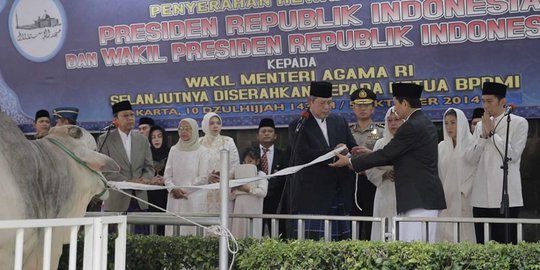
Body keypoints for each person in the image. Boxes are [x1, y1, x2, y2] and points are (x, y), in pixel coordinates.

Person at [330, 82, 446, 242]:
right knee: (420, 250)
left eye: (396, 104)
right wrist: (370, 155)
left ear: (404, 103)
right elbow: (398, 155)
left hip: (418, 198)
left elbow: (387, 154)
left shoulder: (412, 126)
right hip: (423, 198)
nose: (395, 109)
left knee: (414, 251)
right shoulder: (424, 122)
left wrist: (351, 162)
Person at [284, 81, 358, 240]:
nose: (327, 107)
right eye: (322, 103)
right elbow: (302, 155)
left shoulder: (339, 121)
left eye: (330, 102)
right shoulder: (299, 124)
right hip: (313, 195)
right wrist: (334, 152)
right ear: (310, 102)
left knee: (342, 247)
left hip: (339, 191)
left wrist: (352, 155)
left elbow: (351, 147)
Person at [465, 82, 528, 244]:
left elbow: (512, 155)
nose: (485, 105)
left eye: (489, 101)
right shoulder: (479, 126)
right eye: (483, 101)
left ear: (502, 102)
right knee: (482, 246)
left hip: (506, 196)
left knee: (506, 246)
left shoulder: (518, 123)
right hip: (481, 196)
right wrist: (482, 137)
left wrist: (492, 134)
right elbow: (470, 159)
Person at [97, 100, 158, 234]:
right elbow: (104, 169)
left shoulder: (142, 140)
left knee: (140, 242)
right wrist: (127, 181)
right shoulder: (105, 139)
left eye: (132, 115)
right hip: (116, 200)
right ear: (115, 119)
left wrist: (145, 179)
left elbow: (149, 168)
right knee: (114, 244)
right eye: (125, 115)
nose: (130, 118)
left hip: (139, 199)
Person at [163, 118, 209, 236]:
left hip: (194, 198)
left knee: (193, 231)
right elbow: (167, 176)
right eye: (181, 128)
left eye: (187, 129)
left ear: (193, 130)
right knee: (173, 232)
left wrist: (184, 191)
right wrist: (173, 189)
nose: (183, 131)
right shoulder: (174, 150)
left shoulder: (202, 151)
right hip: (175, 198)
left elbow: (203, 178)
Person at [437, 108, 476, 243]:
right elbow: (440, 173)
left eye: (453, 123)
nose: (449, 127)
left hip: (465, 198)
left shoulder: (471, 144)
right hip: (446, 198)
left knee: (465, 234)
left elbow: (474, 170)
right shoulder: (441, 147)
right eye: (446, 123)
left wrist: (464, 190)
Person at [349, 88, 383, 240]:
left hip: (373, 181)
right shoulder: (347, 131)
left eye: (367, 105)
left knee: (372, 217)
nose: (363, 109)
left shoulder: (381, 132)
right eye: (359, 105)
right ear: (353, 107)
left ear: (373, 108)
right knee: (351, 219)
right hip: (351, 181)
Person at [365, 106, 403, 241]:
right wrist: (385, 174)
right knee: (384, 233)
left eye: (397, 120)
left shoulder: (410, 142)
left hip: (406, 194)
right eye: (390, 120)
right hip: (385, 192)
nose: (393, 124)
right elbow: (370, 169)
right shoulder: (381, 143)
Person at [199, 112, 240, 213]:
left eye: (218, 123)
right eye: (211, 123)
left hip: (224, 187)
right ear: (205, 125)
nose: (215, 126)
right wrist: (207, 176)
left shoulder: (228, 141)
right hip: (204, 188)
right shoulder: (198, 143)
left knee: (224, 220)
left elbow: (235, 164)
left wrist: (222, 176)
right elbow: (194, 165)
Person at [254, 118, 289, 237]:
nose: (267, 133)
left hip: (277, 200)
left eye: (270, 131)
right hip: (256, 199)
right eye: (263, 131)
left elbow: (285, 177)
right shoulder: (250, 154)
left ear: (275, 136)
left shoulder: (283, 155)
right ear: (257, 136)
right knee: (255, 233)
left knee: (278, 234)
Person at [230, 148, 268, 238]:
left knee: (252, 233)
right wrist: (234, 187)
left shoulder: (261, 175)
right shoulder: (238, 175)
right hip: (239, 210)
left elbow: (263, 192)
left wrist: (248, 189)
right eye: (244, 162)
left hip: (253, 210)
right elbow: (230, 196)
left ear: (257, 161)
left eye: (250, 161)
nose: (247, 164)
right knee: (238, 234)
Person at [147, 125, 170, 235]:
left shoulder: (171, 153)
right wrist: (150, 180)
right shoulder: (146, 154)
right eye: (153, 137)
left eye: (159, 136)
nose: (156, 139)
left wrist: (165, 180)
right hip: (150, 196)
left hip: (167, 195)